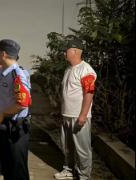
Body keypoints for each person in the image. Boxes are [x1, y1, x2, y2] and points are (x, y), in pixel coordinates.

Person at [54, 37, 97, 180]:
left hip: (79, 116)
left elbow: (89, 93)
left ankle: (84, 176)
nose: (63, 53)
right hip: (66, 115)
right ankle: (68, 170)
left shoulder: (86, 70)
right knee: (67, 147)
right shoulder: (68, 69)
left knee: (82, 149)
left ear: (74, 51)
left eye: (65, 50)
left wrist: (83, 115)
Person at [0, 39, 31, 180]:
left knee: (17, 170)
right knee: (8, 168)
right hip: (8, 126)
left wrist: (2, 113)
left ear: (3, 54)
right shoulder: (6, 73)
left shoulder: (17, 74)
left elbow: (23, 103)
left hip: (16, 128)